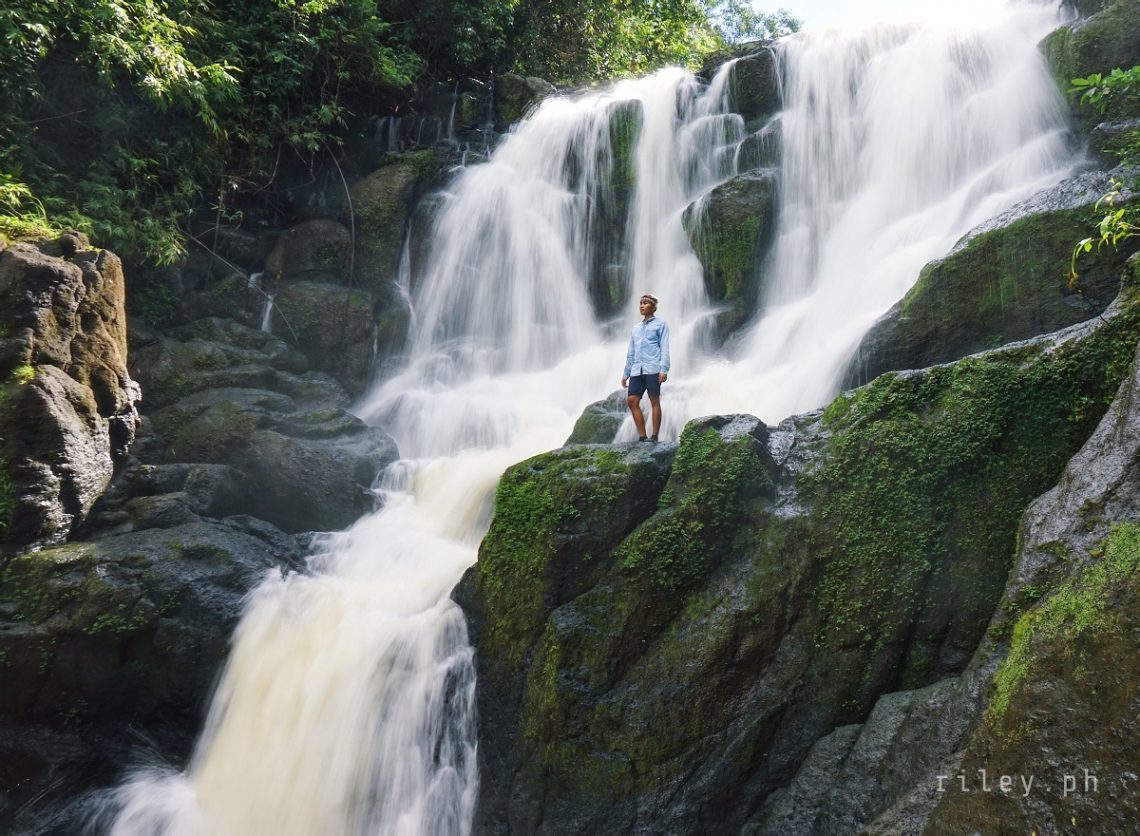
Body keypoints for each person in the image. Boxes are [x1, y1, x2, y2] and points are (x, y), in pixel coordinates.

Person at [621, 293, 670, 442]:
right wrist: (626, 373)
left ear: (653, 307)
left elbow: (664, 347)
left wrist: (664, 369)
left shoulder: (661, 324)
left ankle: (654, 436)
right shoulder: (635, 329)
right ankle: (642, 436)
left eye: (645, 303)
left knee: (654, 400)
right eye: (640, 303)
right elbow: (631, 352)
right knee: (632, 401)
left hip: (653, 368)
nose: (641, 305)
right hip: (637, 369)